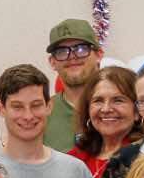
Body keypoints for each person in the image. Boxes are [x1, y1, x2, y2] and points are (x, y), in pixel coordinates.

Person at [68, 65, 144, 178]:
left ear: (137, 111)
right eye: (98, 101)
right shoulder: (72, 160)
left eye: (118, 100)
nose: (106, 109)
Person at [43, 18, 105, 153]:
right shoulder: (41, 114)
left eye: (81, 49)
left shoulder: (121, 108)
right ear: (52, 62)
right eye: (62, 52)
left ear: (99, 55)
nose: (72, 57)